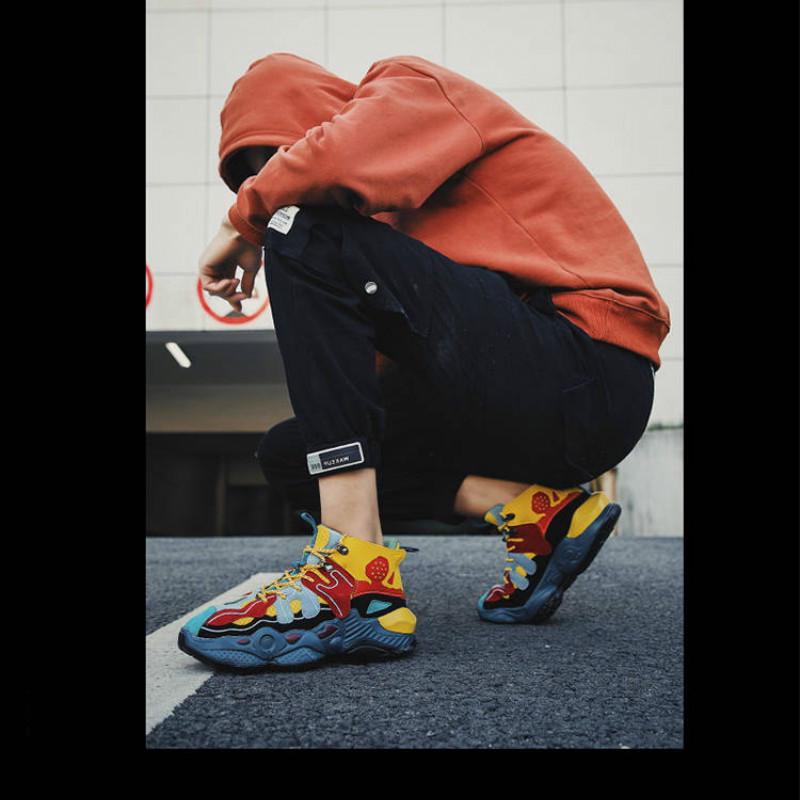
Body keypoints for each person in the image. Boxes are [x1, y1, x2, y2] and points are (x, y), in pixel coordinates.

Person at [178, 52, 670, 671]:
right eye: (254, 177)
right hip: (510, 403)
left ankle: (353, 581)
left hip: (588, 370)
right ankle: (541, 513)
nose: (268, 184)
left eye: (275, 160)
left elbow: (326, 165)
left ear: (321, 118)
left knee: (298, 227)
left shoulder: (411, 87)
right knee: (290, 451)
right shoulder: (381, 238)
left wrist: (243, 224)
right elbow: (378, 389)